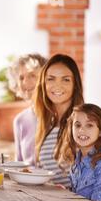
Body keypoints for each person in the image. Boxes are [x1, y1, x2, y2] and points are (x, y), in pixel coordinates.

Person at [32, 54, 84, 188]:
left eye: (66, 80)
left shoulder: (83, 123)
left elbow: (98, 176)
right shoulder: (47, 124)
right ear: (43, 84)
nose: (57, 86)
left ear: (75, 84)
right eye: (51, 79)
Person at [8, 53, 47, 164]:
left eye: (32, 75)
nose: (25, 82)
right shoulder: (20, 120)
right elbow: (19, 163)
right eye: (21, 77)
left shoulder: (60, 115)